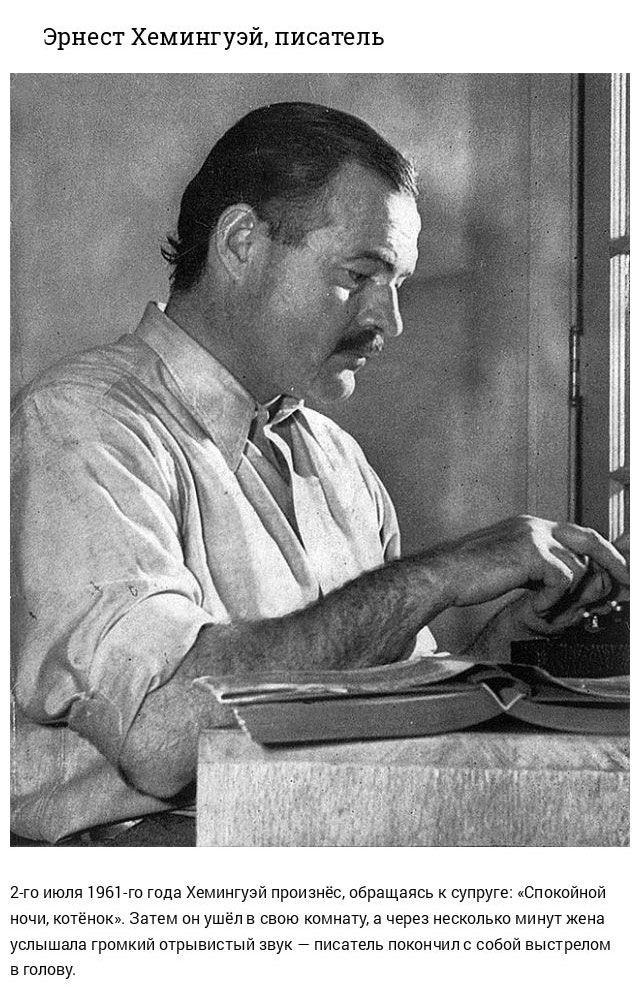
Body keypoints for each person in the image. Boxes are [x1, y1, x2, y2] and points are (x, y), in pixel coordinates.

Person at [11, 102, 627, 845]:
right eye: (360, 274)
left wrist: (493, 653)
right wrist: (436, 576)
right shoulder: (82, 421)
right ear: (241, 242)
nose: (389, 321)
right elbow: (160, 738)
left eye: (397, 282)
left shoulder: (338, 461)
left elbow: (366, 711)